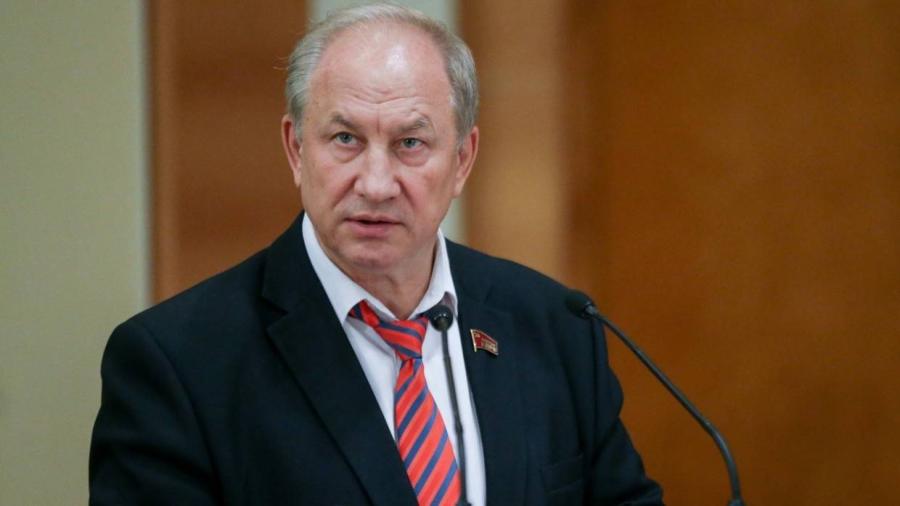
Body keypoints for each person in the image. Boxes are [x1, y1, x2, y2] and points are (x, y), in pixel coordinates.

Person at [89, 4, 663, 505]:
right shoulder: (179, 364)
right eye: (346, 139)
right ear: (296, 149)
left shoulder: (555, 326)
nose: (376, 183)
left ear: (462, 160)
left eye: (410, 143)